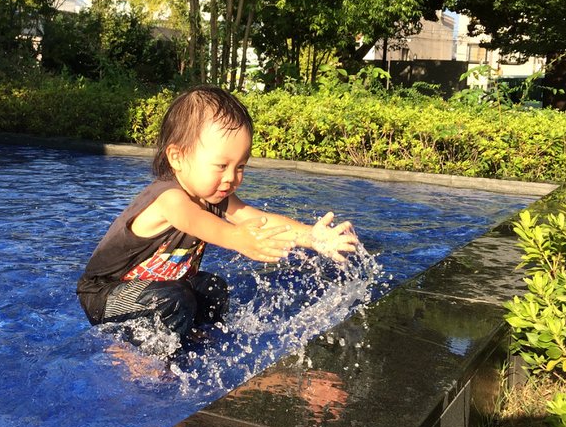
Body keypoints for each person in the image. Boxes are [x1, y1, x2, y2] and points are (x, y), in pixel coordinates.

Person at [76, 86, 359, 339]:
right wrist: (237, 238)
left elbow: (258, 219)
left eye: (240, 166)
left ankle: (190, 334)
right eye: (221, 166)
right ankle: (134, 355)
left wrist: (311, 236)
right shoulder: (168, 199)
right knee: (173, 300)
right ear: (178, 157)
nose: (232, 178)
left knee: (213, 289)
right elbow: (199, 221)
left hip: (156, 288)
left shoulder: (214, 194)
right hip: (106, 296)